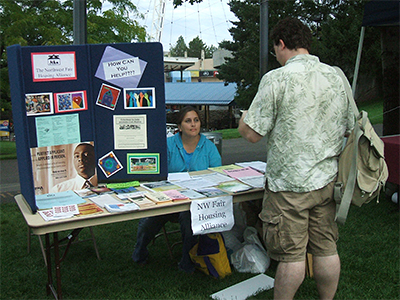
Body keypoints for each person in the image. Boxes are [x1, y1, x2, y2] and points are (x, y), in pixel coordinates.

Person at [238, 18, 354, 300]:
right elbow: (350, 126)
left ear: (281, 44)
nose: (275, 56)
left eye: (274, 50)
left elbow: (251, 134)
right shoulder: (336, 77)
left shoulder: (277, 79)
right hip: (327, 181)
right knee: (326, 249)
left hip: (289, 186)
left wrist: (243, 118)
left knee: (291, 257)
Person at [132, 106, 221, 273]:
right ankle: (140, 252)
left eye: (196, 120)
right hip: (169, 198)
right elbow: (158, 174)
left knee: (189, 220)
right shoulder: (167, 145)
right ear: (179, 127)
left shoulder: (209, 147)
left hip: (196, 201)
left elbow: (217, 175)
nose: (193, 125)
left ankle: (187, 262)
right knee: (149, 221)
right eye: (188, 121)